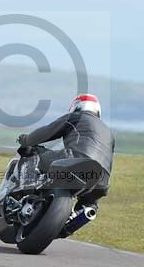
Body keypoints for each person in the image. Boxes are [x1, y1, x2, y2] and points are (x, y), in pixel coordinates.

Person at [16, 93, 115, 235]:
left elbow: (47, 132)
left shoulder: (76, 117)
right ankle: (75, 220)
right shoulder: (109, 132)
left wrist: (27, 140)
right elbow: (110, 160)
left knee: (33, 154)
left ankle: (26, 193)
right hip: (101, 177)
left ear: (75, 107)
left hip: (76, 159)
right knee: (88, 205)